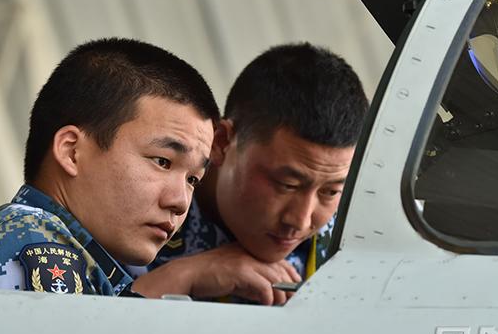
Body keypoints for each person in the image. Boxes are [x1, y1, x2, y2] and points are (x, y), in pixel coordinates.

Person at [0, 38, 219, 296]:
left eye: (193, 179)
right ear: (71, 151)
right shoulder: (35, 246)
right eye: (162, 161)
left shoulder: (70, 256)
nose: (181, 202)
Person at [132, 43, 367, 305]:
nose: (300, 221)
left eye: (330, 191)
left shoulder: (358, 243)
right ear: (221, 142)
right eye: (286, 184)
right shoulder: (144, 208)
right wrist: (185, 275)